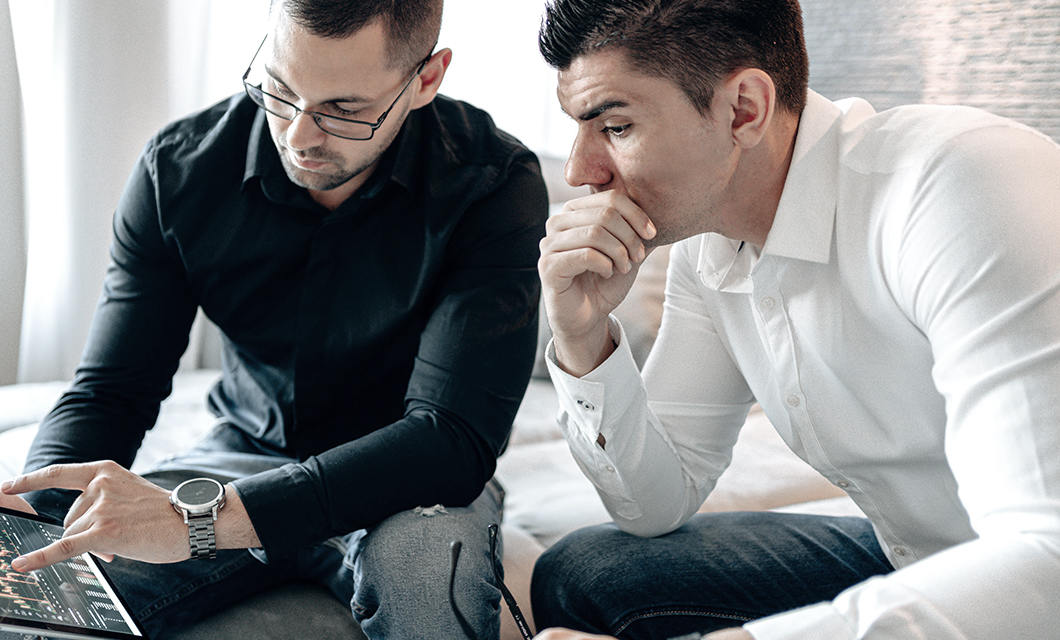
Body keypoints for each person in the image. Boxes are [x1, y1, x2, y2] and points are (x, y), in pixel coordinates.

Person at [0, 1, 547, 639]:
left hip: (409, 483)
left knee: (427, 585)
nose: (298, 136)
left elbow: (450, 438)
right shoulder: (179, 170)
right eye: (280, 90)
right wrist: (33, 513)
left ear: (426, 79)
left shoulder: (493, 183)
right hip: (236, 460)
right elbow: (113, 390)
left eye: (343, 110)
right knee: (35, 593)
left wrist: (209, 522)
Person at [528, 0, 1060, 638]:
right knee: (586, 573)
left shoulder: (960, 184)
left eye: (615, 127)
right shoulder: (710, 246)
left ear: (743, 109)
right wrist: (582, 336)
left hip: (1031, 574)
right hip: (921, 556)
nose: (578, 171)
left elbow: (1047, 556)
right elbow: (655, 504)